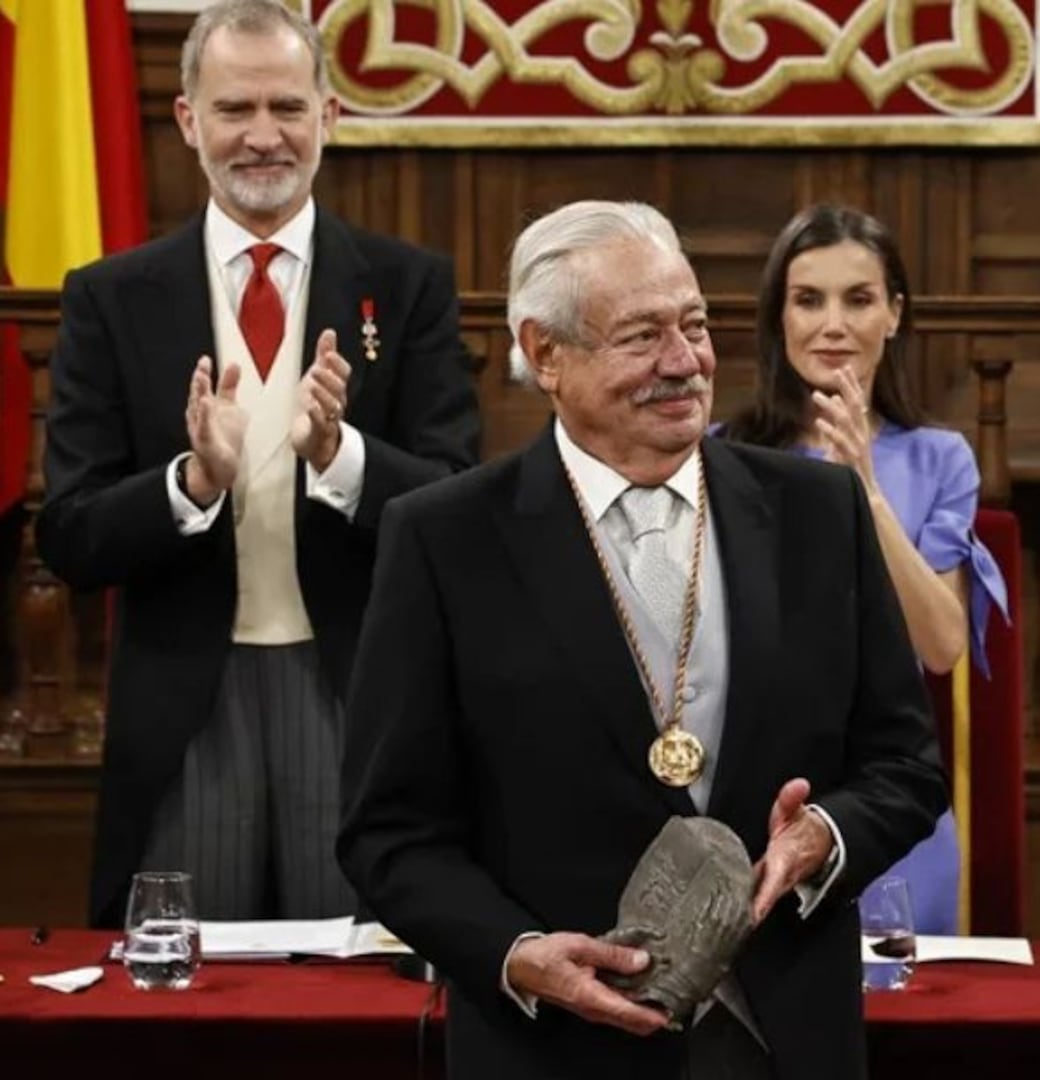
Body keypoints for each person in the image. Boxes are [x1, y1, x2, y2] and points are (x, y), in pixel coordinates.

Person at [337, 200, 948, 1080]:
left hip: (786, 1040)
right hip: (551, 1049)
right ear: (545, 353)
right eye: (641, 337)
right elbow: (386, 834)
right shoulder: (444, 540)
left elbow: (906, 764)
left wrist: (824, 834)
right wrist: (515, 952)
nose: (684, 362)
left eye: (694, 325)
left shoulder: (819, 513)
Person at [36, 0, 480, 928]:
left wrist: (341, 454)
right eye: (236, 110)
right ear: (189, 120)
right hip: (187, 710)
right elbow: (71, 535)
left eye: (287, 107)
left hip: (355, 695)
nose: (263, 137)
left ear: (329, 115)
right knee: (182, 1016)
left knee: (365, 1013)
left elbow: (457, 504)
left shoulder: (406, 287)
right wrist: (189, 484)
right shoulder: (112, 299)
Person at [722, 203, 1009, 934]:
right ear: (778, 318)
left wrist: (864, 488)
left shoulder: (940, 458)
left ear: (894, 314)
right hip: (753, 801)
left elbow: (942, 647)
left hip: (890, 803)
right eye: (808, 299)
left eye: (859, 299)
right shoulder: (725, 455)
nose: (833, 324)